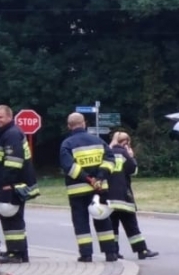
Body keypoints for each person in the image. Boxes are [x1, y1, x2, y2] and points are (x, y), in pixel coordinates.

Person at [60, 112, 118, 262]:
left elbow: (69, 167)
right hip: (99, 189)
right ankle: (110, 253)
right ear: (84, 123)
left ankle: (86, 255)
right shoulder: (99, 141)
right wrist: (99, 178)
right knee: (103, 218)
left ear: (69, 126)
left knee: (80, 222)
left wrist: (88, 178)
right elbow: (110, 160)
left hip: (78, 190)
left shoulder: (67, 144)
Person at [0, 105, 38, 263]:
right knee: (14, 218)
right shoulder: (9, 133)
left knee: (11, 218)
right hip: (14, 184)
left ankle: (15, 253)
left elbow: (13, 162)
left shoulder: (11, 135)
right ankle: (20, 252)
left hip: (11, 184)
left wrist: (7, 183)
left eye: (0, 117)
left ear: (10, 117)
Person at [103, 131, 159, 259]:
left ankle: (114, 252)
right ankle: (142, 251)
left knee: (113, 227)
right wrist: (131, 156)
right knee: (131, 226)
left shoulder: (106, 153)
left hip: (109, 198)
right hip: (124, 197)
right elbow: (133, 170)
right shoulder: (123, 153)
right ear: (126, 143)